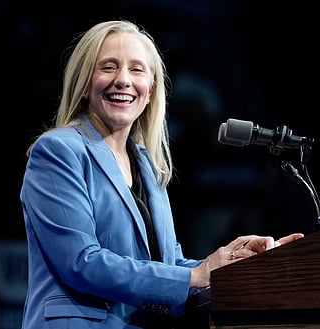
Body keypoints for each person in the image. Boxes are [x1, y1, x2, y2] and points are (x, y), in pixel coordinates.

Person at [19, 19, 304, 329]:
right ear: (84, 84)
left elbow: (167, 268)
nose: (123, 80)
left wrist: (233, 264)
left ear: (151, 90)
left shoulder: (147, 164)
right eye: (108, 67)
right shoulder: (58, 150)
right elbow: (80, 262)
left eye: (137, 70)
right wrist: (195, 275)